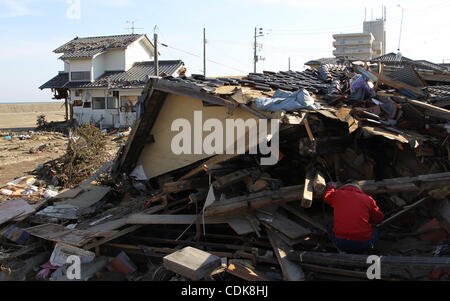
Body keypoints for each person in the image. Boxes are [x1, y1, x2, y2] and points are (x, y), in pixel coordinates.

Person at [324, 183, 384, 253]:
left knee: (330, 224)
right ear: (359, 189)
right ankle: (368, 248)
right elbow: (379, 218)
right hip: (363, 244)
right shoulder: (368, 199)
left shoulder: (337, 194)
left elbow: (327, 197)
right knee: (376, 228)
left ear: (343, 188)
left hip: (341, 243)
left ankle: (341, 249)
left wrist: (331, 187)